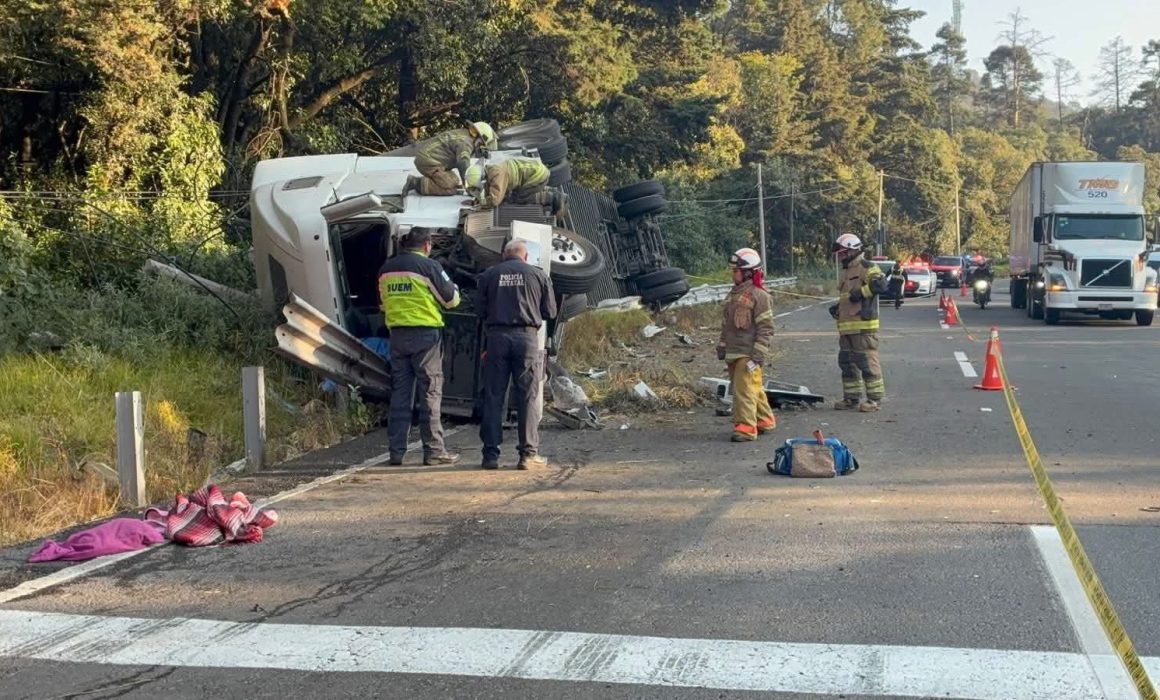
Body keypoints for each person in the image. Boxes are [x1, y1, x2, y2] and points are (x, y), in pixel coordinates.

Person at [378, 228, 462, 466]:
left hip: (397, 337)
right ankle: (434, 452)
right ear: (427, 246)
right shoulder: (429, 267)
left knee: (400, 395)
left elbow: (383, 304)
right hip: (425, 338)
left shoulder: (386, 269)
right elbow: (451, 300)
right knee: (430, 393)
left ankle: (396, 452)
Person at [475, 239, 557, 470]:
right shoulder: (538, 275)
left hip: (496, 339)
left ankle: (490, 456)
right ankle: (528, 455)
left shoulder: (489, 276)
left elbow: (479, 310)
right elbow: (549, 311)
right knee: (527, 396)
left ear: (504, 255)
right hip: (527, 339)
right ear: (526, 256)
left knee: (494, 397)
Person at [716, 247, 776, 442]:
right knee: (751, 387)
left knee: (743, 391)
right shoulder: (734, 295)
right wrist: (722, 345)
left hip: (747, 353)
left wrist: (758, 355)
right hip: (734, 352)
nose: (733, 274)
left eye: (736, 270)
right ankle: (764, 420)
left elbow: (766, 328)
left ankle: (746, 428)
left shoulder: (760, 296)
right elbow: (727, 325)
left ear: (748, 272)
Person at [828, 233, 889, 412]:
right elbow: (848, 296)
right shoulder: (846, 272)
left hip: (863, 327)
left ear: (852, 251)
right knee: (847, 362)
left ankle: (874, 400)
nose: (840, 256)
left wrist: (862, 292)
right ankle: (851, 399)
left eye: (842, 253)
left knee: (867, 362)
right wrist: (838, 307)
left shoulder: (867, 266)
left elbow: (881, 285)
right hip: (846, 327)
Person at [401, 122, 498, 197]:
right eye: (482, 145)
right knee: (450, 189)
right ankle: (415, 183)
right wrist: (469, 187)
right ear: (477, 137)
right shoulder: (466, 142)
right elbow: (463, 163)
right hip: (428, 161)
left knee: (456, 183)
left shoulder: (465, 135)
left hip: (431, 158)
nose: (481, 148)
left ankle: (434, 180)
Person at [464, 158, 568, 217]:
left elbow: (495, 200)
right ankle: (553, 191)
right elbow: (492, 189)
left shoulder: (497, 175)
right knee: (516, 194)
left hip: (537, 175)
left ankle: (553, 198)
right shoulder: (491, 170)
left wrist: (481, 204)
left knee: (519, 198)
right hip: (536, 173)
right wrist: (477, 199)